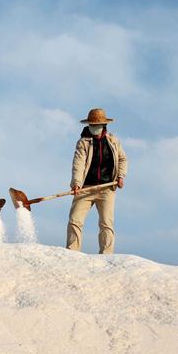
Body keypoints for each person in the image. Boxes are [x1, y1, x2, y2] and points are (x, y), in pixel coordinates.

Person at [66, 108, 128, 254]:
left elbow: (122, 159)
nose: (94, 128)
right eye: (92, 125)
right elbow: (78, 163)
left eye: (97, 125)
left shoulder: (113, 141)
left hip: (107, 188)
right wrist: (76, 183)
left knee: (106, 223)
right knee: (75, 220)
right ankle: (71, 253)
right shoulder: (83, 143)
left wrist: (121, 176)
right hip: (85, 188)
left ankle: (106, 255)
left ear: (104, 125)